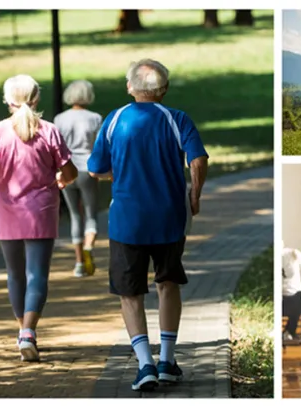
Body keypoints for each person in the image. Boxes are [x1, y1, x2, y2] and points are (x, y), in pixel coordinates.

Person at [86, 59, 209, 391]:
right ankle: (167, 359)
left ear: (130, 87)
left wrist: (122, 173)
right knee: (168, 283)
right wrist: (195, 196)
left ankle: (145, 365)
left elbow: (96, 169)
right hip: (170, 216)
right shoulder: (177, 118)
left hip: (127, 221)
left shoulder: (114, 120)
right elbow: (198, 159)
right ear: (163, 89)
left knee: (130, 293)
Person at [0, 74, 78, 363]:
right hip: (41, 211)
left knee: (15, 274)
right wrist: (61, 180)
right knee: (37, 274)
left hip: (6, 211)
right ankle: (28, 333)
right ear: (36, 99)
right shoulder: (49, 131)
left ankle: (22, 331)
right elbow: (70, 172)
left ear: (7, 101)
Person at [53, 80, 103, 277]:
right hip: (88, 169)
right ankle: (89, 246)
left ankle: (79, 262)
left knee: (75, 214)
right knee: (91, 213)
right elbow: (99, 147)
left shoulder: (59, 119)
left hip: (67, 170)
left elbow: (55, 146)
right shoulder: (95, 118)